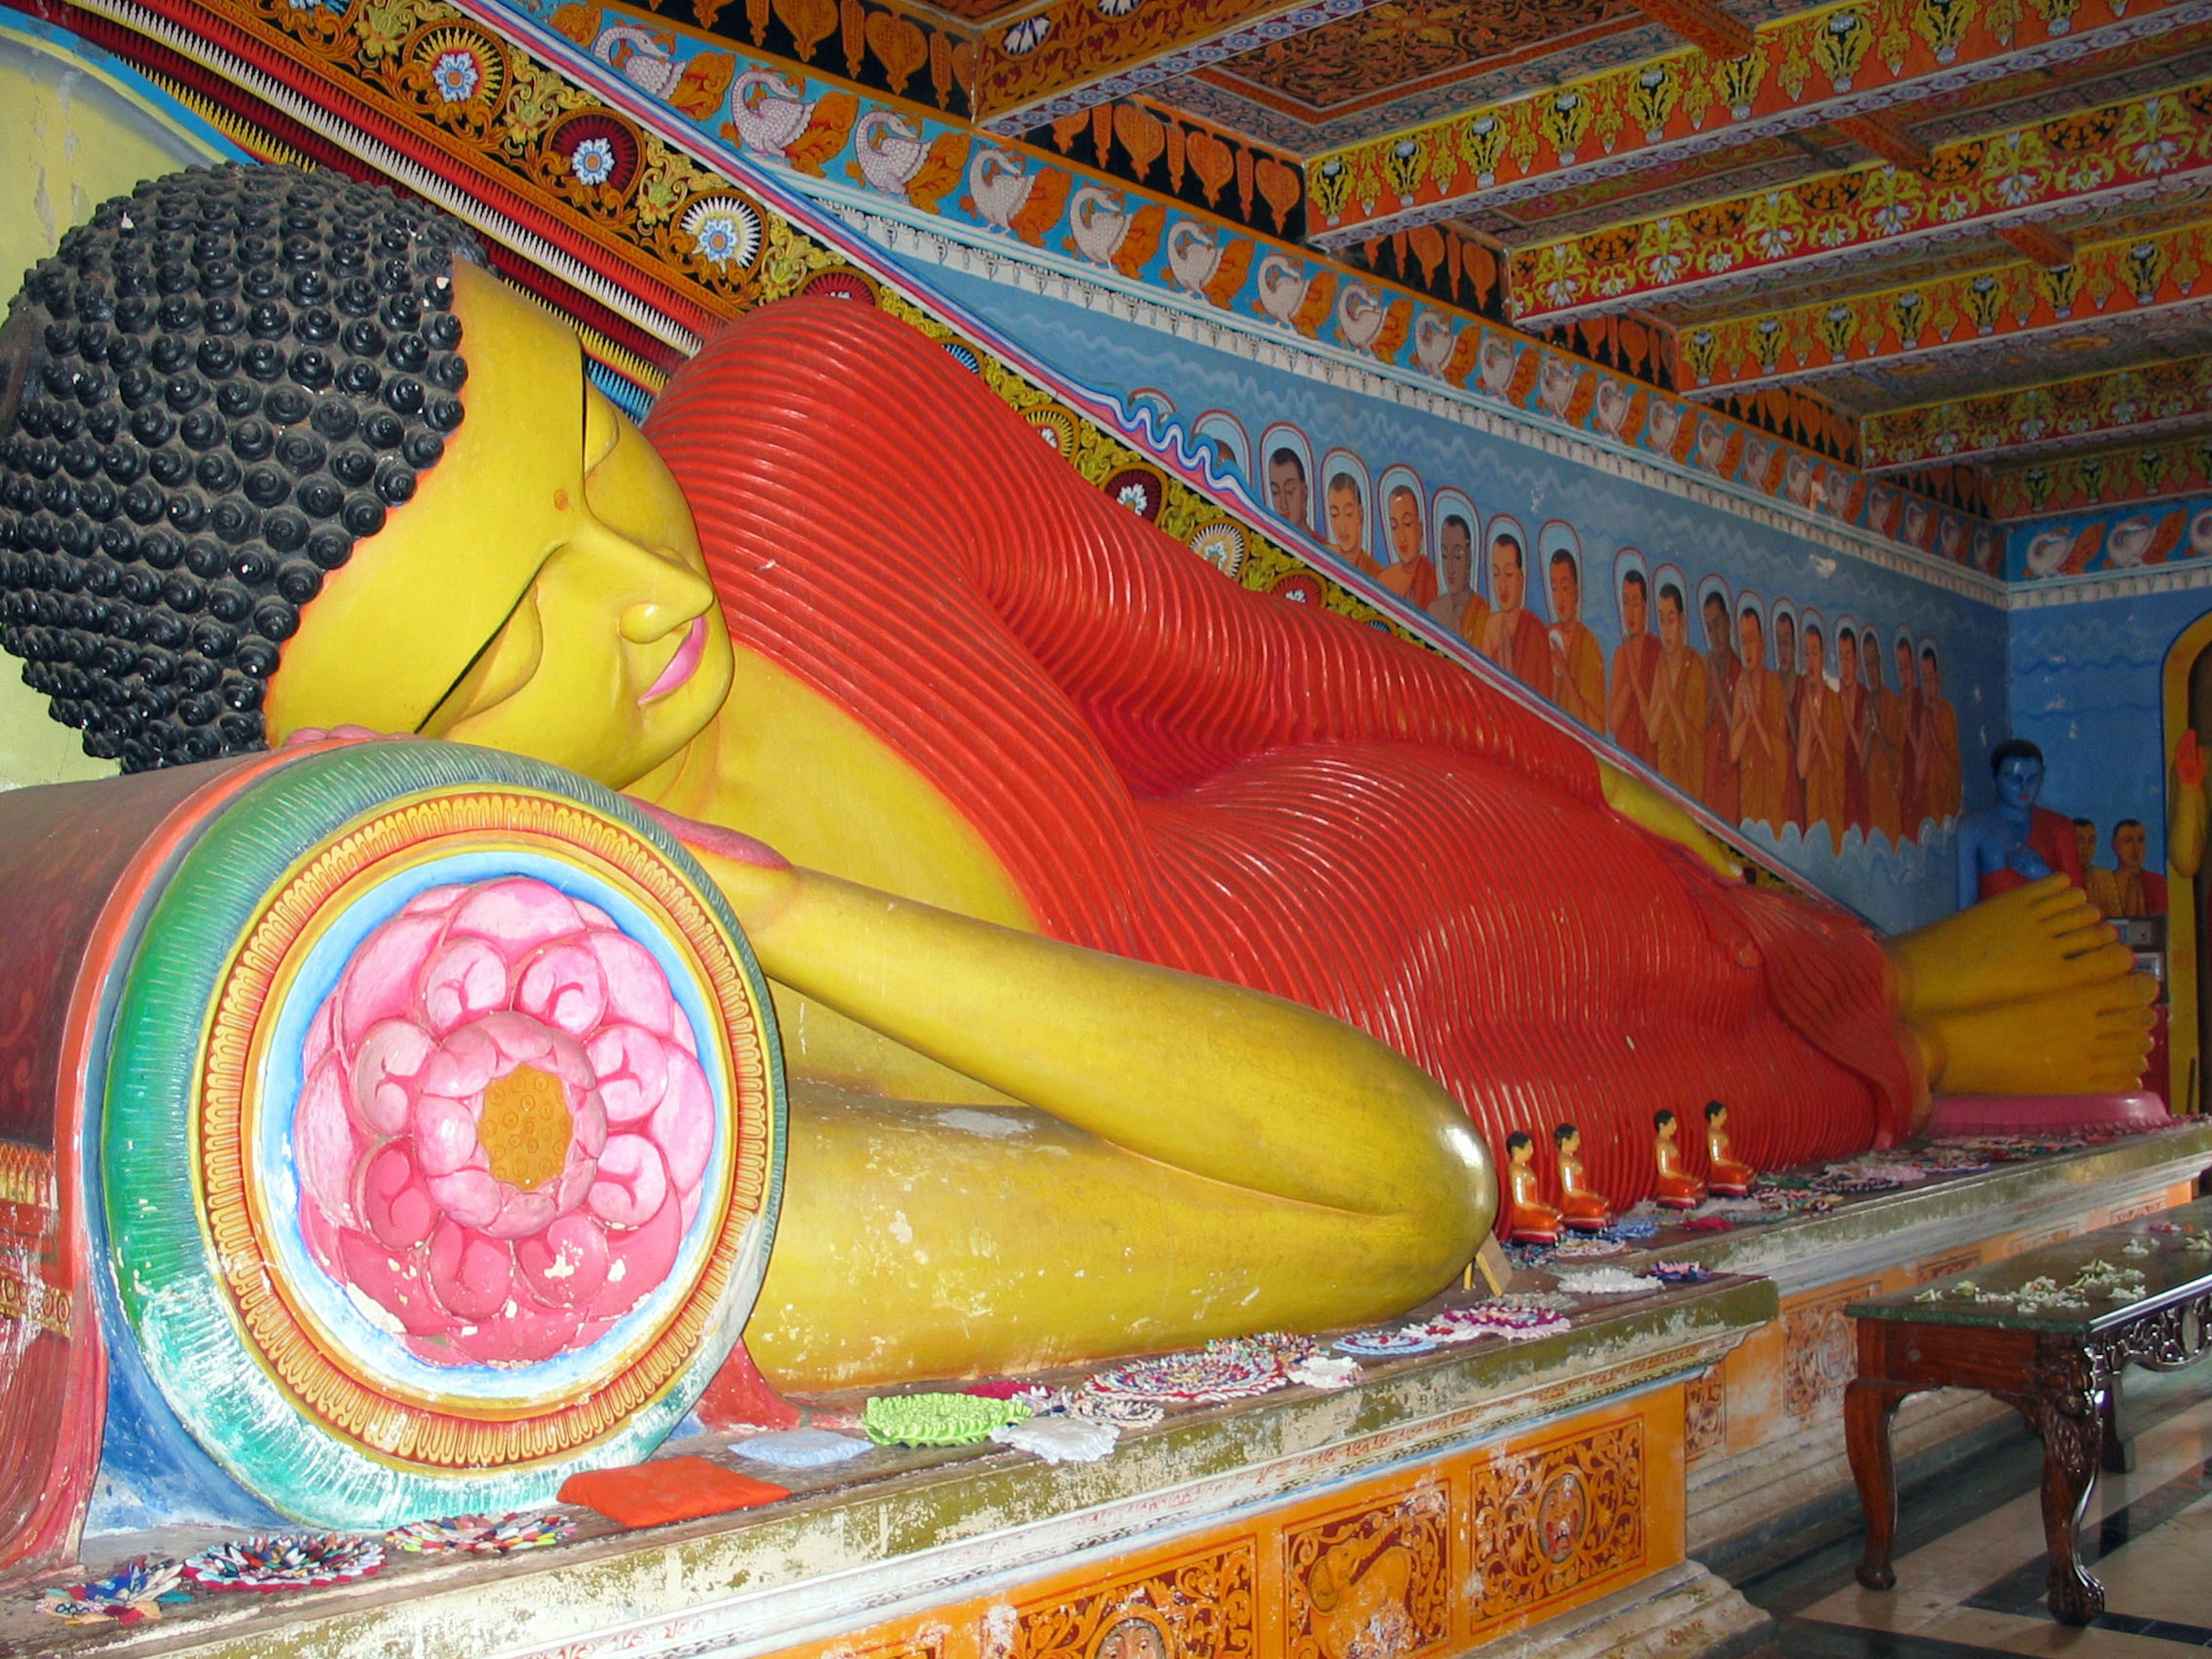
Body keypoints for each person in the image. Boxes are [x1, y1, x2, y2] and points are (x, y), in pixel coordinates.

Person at [0, 166, 2156, 1395]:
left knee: (1792, 962)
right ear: (350, 766)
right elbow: (1384, 1187)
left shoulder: (797, 427)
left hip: (1406, 847)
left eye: (587, 436)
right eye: (506, 640)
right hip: (1448, 1085)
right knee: (1822, 1058)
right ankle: (1934, 1019)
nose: (643, 581)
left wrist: (1621, 796)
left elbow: (1257, 664)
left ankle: (1920, 999)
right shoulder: (610, 1047)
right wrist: (766, 912)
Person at [1956, 738, 2086, 911]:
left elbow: (2081, 905)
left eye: (2033, 779)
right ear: (1993, 776)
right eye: (2014, 779)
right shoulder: (1973, 829)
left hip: (2050, 934)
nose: (2024, 788)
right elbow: (1966, 909)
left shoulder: (2059, 827)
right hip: (1997, 933)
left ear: (2043, 776)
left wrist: (2043, 875)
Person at [1730, 605, 1790, 833]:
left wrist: (1755, 712)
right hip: (1750, 789)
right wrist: (1747, 718)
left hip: (1771, 792)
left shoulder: (1774, 686)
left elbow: (1778, 752)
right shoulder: (1740, 686)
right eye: (1743, 641)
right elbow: (1734, 751)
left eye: (1752, 640)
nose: (1748, 649)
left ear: (1763, 644)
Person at [1647, 581, 1706, 798]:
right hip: (1666, 781)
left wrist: (1670, 697)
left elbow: (1690, 739)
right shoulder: (1661, 665)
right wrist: (1663, 700)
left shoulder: (1695, 666)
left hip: (1689, 783)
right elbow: (1652, 734)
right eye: (1662, 621)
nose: (1666, 630)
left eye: (1671, 620)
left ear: (1681, 621)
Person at [1796, 623, 1846, 853]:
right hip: (1813, 801)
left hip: (1833, 803)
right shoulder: (1805, 705)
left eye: (1815, 653)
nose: (1811, 661)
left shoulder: (1835, 702)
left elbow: (1833, 761)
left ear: (1823, 657)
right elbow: (1802, 769)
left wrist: (1816, 723)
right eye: (1807, 654)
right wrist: (1808, 726)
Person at [1477, 531, 1548, 685]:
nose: (1502, 586)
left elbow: (1544, 696)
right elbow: (1482, 684)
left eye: (1509, 574)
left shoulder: (1536, 632)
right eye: (1496, 574)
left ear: (1520, 579)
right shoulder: (1491, 625)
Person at [1546, 548, 1605, 731]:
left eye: (1565, 588)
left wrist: (1565, 672)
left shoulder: (1588, 646)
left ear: (1576, 592)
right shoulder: (1545, 637)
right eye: (1555, 589)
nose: (1560, 598)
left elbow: (1595, 725)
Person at [1608, 569, 1660, 767]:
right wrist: (1629, 683)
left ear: (1645, 607)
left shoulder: (1657, 651)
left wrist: (1637, 683)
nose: (1630, 612)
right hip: (1625, 758)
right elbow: (1613, 724)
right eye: (1626, 603)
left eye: (1636, 603)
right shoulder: (1622, 654)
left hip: (1652, 762)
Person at [1702, 589, 1742, 825]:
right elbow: (1701, 725)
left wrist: (1720, 689)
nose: (1715, 634)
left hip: (1732, 775)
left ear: (1728, 623)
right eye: (1709, 628)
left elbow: (1736, 729)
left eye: (1718, 624)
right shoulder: (1705, 668)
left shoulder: (1740, 673)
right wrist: (1712, 694)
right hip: (1709, 772)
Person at [1864, 630, 1906, 846]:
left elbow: (1897, 759)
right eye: (1867, 665)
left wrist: (1879, 730)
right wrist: (1868, 735)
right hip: (1872, 797)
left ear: (1880, 663)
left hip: (1889, 797)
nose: (1871, 671)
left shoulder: (1892, 703)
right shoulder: (1866, 704)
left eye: (1874, 663)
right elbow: (1860, 762)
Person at [1425, 512, 1487, 646]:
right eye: (1445, 555)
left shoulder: (1484, 615)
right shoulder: (1435, 611)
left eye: (1458, 556)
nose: (1450, 569)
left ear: (1469, 557)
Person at [2087, 819, 2167, 919]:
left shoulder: (2157, 882)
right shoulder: (2101, 883)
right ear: (2115, 845)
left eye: (2141, 840)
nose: (2136, 848)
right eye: (2128, 841)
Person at [1918, 646, 1961, 823]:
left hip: (1948, 799)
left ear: (1938, 678)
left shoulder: (1947, 713)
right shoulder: (1925, 717)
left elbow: (1952, 767)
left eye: (1932, 679)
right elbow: (1920, 772)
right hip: (1931, 800)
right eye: (1925, 681)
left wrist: (1934, 738)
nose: (1929, 686)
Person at [1380, 484, 1440, 609]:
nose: (1402, 538)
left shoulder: (1434, 578)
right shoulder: (1384, 579)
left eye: (1407, 524)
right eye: (1394, 527)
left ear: (1420, 529)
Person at [1502, 1131, 1562, 1245]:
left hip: (1533, 1209)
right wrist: (1544, 1210)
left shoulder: (1526, 1169)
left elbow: (1535, 1200)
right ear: (1516, 1150)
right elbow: (1521, 1202)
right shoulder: (1516, 1171)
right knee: (1548, 1222)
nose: (1532, 1151)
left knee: (1556, 1217)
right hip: (1523, 1214)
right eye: (1528, 1148)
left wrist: (1546, 1208)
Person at [1774, 609, 1804, 834]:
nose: (1783, 651)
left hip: (1799, 785)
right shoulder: (1770, 685)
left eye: (1787, 643)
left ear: (1795, 647)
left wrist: (1786, 708)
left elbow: (1802, 742)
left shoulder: (1805, 689)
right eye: (1779, 643)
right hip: (1776, 782)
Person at [1552, 1123, 1612, 1233]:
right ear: (1565, 1141)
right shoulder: (1565, 1161)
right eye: (1575, 1139)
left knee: (1603, 1204)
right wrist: (1590, 1196)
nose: (1579, 1143)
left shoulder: (1572, 1159)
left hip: (1581, 1198)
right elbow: (1570, 1190)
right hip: (1572, 1202)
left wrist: (1591, 1195)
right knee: (1597, 1209)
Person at [1838, 628, 1869, 837]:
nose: (1845, 665)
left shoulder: (1865, 700)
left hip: (1861, 790)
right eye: (1841, 658)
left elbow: (1863, 756)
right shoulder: (1835, 699)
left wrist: (1848, 721)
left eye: (1849, 657)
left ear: (1856, 660)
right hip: (1840, 788)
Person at [1897, 634, 1927, 837]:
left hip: (1919, 790)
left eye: (1907, 667)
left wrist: (1908, 729)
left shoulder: (1921, 704)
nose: (1904, 675)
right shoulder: (1898, 705)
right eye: (1900, 669)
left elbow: (1923, 759)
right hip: (1901, 791)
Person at [1652, 1110, 1706, 1210]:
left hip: (1677, 1177)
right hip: (1667, 1181)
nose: (1675, 1127)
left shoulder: (1670, 1142)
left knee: (1699, 1183)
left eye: (1675, 1124)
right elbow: (1665, 1171)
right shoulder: (1662, 1145)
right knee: (1688, 1190)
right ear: (1662, 1126)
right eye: (1672, 1124)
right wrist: (1684, 1178)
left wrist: (1686, 1176)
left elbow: (1677, 1168)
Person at [1268, 447, 1309, 527]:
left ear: (1304, 493)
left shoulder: (1316, 540)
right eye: (1275, 492)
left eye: (1289, 491)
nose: (1284, 505)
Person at [2074, 817, 2100, 882]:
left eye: (2092, 841)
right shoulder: (2057, 879)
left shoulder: (2103, 880)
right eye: (2080, 841)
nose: (2086, 847)